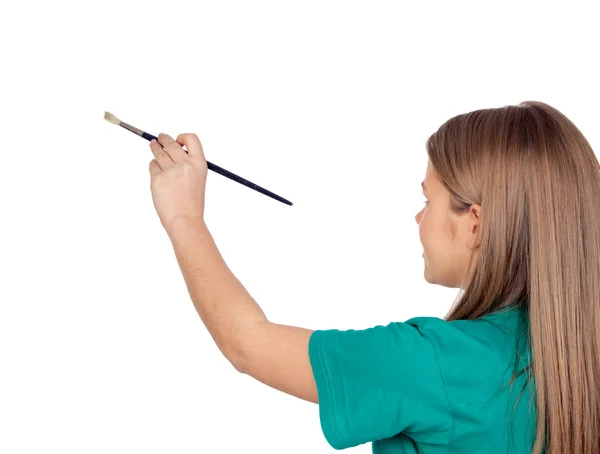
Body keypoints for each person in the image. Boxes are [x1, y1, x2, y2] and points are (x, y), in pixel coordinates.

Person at [148, 101, 600, 454]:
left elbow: (247, 343)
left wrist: (185, 218)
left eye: (427, 199)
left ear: (475, 224)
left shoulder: (434, 363)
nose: (418, 217)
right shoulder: (579, 358)